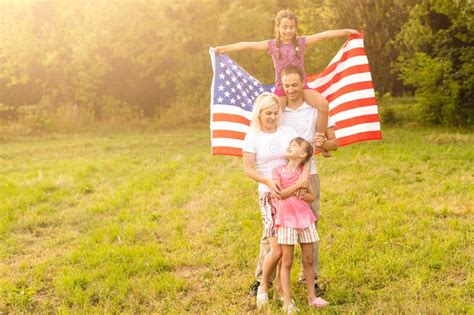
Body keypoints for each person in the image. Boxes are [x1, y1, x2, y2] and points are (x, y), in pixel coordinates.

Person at [216, 9, 358, 153]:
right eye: (284, 27)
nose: (288, 31)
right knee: (272, 114)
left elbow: (323, 35)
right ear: (278, 27)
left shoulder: (301, 42)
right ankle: (262, 145)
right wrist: (226, 48)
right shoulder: (272, 45)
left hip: (301, 86)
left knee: (323, 105)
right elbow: (248, 45)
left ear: (296, 28)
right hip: (281, 88)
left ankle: (320, 141)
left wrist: (346, 31)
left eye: (291, 27)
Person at [250, 65, 338, 298]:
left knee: (310, 224)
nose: (290, 89)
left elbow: (332, 144)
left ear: (303, 83)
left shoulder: (316, 108)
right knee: (273, 229)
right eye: (286, 85)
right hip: (279, 178)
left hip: (308, 175)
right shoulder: (278, 110)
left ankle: (311, 279)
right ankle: (262, 280)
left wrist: (321, 148)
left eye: (294, 84)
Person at [241, 92, 298, 309]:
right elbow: (248, 169)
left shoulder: (287, 133)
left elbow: (300, 155)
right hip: (268, 194)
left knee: (288, 248)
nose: (272, 117)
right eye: (268, 113)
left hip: (289, 195)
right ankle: (263, 285)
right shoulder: (253, 136)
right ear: (260, 113)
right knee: (277, 248)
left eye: (275, 113)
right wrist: (268, 181)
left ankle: (285, 295)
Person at [273, 137, 329, 311]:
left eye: (294, 146)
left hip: (305, 219)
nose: (289, 147)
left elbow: (312, 196)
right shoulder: (278, 171)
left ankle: (312, 297)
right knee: (287, 261)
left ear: (303, 154)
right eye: (290, 145)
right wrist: (297, 186)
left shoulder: (304, 174)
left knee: (309, 259)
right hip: (286, 220)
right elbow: (280, 194)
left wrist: (301, 194)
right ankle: (287, 301)